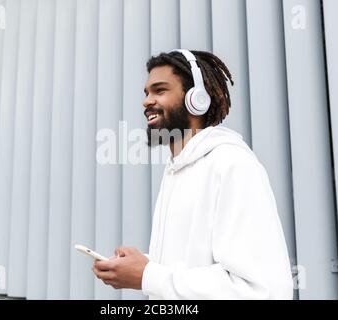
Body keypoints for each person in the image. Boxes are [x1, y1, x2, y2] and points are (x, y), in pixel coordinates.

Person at [92, 49, 293, 299]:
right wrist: (143, 265)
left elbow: (256, 289)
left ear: (196, 100)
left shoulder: (232, 164)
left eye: (160, 90)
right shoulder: (176, 170)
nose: (146, 101)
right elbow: (193, 268)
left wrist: (148, 275)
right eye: (146, 93)